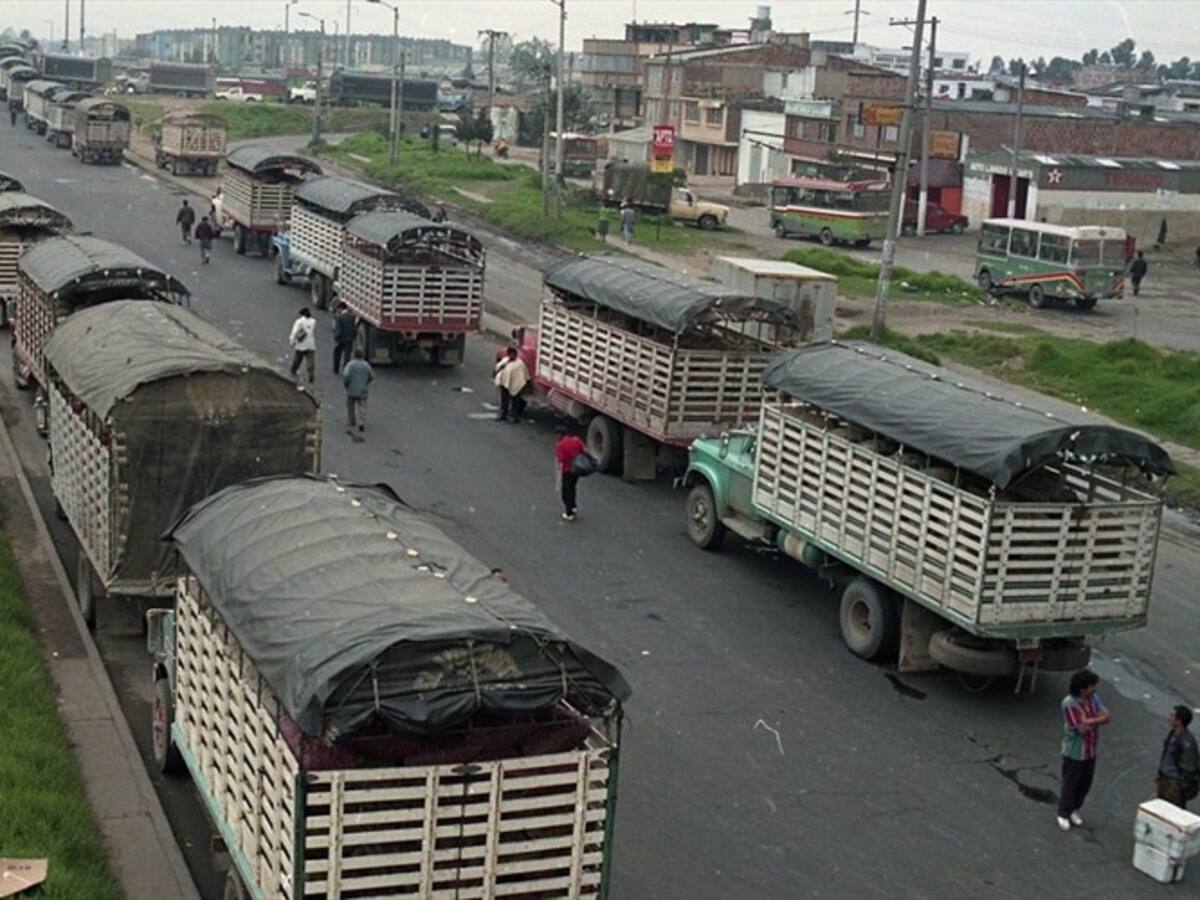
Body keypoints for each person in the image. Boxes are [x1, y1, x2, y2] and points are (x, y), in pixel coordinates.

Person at [1057, 669, 1110, 831]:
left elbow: (1107, 716)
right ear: (1082, 688)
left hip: (1090, 749)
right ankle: (1063, 812)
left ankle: (1074, 808)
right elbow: (1082, 728)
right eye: (1091, 686)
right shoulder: (1069, 704)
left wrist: (1090, 720)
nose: (1094, 689)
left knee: (1085, 783)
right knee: (1071, 782)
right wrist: (1096, 720)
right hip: (1074, 751)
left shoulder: (1093, 698)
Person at [1156, 705, 1199, 810]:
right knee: (1161, 809)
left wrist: (1180, 787)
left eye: (1172, 715)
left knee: (1173, 811)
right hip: (1166, 779)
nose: (1169, 717)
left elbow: (1189, 769)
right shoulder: (1173, 733)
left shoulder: (1187, 742)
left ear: (1179, 721)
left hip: (1174, 784)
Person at [555, 426, 587, 521]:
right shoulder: (576, 440)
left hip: (567, 471)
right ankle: (573, 506)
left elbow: (560, 460)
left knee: (566, 493)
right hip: (576, 470)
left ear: (560, 435)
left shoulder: (560, 445)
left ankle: (569, 513)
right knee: (572, 488)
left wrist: (558, 477)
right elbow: (584, 450)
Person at [341, 348, 374, 434]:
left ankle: (352, 420)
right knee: (362, 406)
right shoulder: (366, 365)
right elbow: (371, 376)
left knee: (350, 405)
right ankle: (361, 422)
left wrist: (346, 384)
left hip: (352, 389)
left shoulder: (350, 365)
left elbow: (346, 376)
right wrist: (366, 382)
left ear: (354, 355)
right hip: (363, 390)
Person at [493, 346, 530, 423]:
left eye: (513, 354)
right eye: (510, 354)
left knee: (515, 401)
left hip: (515, 385)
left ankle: (514, 417)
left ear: (516, 354)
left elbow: (524, 375)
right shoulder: (505, 360)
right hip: (504, 383)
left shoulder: (520, 364)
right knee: (504, 400)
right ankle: (503, 415)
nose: (512, 356)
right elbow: (498, 368)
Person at [288, 307, 317, 385]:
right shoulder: (313, 321)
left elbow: (294, 332)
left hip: (301, 344)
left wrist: (292, 341)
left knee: (297, 359)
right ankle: (311, 375)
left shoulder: (299, 322)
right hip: (310, 344)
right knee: (310, 360)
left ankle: (293, 370)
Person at [331, 301, 356, 376]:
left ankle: (336, 368)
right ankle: (346, 370)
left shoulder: (340, 317)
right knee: (347, 356)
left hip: (341, 339)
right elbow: (354, 328)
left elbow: (339, 330)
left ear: (340, 308)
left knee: (337, 354)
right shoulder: (352, 317)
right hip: (349, 339)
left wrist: (336, 338)